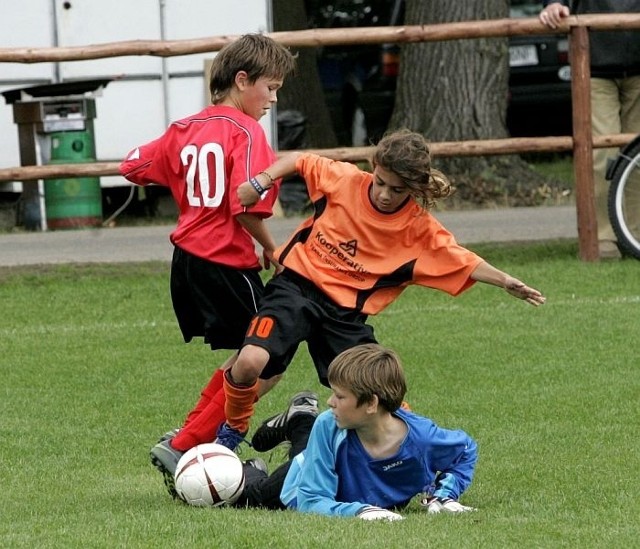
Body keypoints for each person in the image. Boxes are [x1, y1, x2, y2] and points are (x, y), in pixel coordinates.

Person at [210, 128, 546, 452]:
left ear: (414, 188)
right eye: (380, 182)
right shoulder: (345, 180)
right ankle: (233, 429)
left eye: (397, 190)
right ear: (373, 168)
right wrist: (260, 182)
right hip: (295, 288)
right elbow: (298, 159)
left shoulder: (419, 230)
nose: (384, 194)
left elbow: (464, 261)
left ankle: (422, 453)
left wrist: (505, 281)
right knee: (250, 361)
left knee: (381, 393)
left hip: (344, 315)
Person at [118, 33, 296, 497]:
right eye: (270, 88)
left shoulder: (184, 128)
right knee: (270, 357)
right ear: (242, 80)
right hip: (226, 263)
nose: (273, 100)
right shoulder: (246, 131)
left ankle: (186, 439)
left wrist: (185, 182)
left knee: (245, 356)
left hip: (187, 262)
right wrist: (272, 249)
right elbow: (246, 203)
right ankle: (194, 444)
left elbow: (133, 166)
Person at [232, 344, 477, 519]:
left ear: (371, 403)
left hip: (326, 452)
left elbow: (464, 450)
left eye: (339, 396)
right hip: (300, 479)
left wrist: (445, 495)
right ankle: (251, 468)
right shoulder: (329, 424)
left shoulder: (422, 438)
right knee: (252, 496)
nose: (329, 402)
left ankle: (300, 418)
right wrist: (359, 510)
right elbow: (311, 500)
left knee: (316, 438)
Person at [540, 1, 640, 259]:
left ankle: (634, 235)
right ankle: (604, 237)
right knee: (601, 154)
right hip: (594, 64)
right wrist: (553, 4)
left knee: (638, 158)